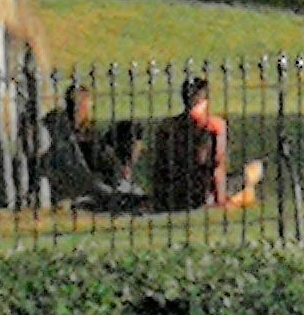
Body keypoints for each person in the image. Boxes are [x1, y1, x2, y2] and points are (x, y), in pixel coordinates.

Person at [145, 74, 264, 212]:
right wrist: (220, 201)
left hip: (173, 195)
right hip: (201, 196)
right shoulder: (214, 126)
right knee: (255, 169)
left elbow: (159, 167)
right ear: (205, 100)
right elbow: (217, 166)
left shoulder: (166, 127)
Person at [38, 82, 140, 210]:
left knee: (130, 128)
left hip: (103, 169)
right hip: (89, 175)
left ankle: (124, 178)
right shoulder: (62, 127)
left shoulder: (88, 130)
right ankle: (121, 184)